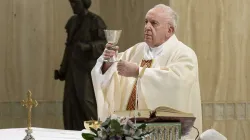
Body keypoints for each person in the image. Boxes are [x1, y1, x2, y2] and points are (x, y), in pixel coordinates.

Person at [91, 4, 202, 139]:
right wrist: (108, 61)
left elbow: (178, 82)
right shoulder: (137, 50)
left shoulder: (184, 54)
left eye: (154, 23)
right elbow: (108, 74)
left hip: (165, 133)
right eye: (146, 22)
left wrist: (139, 72)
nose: (147, 27)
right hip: (130, 130)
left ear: (170, 30)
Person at [54, 0, 107, 130]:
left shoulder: (95, 21)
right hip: (72, 70)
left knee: (86, 102)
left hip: (86, 70)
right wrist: (63, 69)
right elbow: (69, 48)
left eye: (75, 3)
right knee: (70, 105)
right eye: (71, 3)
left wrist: (88, 47)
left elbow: (104, 44)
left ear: (84, 3)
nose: (73, 6)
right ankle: (73, 133)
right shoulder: (72, 22)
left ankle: (97, 132)